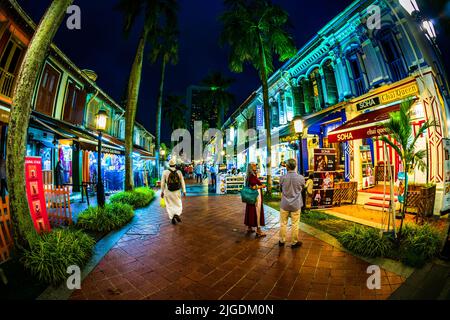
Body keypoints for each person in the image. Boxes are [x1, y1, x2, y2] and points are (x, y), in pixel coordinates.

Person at [279, 158, 305, 248]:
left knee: (283, 223)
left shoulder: (282, 178)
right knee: (295, 223)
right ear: (295, 166)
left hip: (284, 204)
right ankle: (294, 242)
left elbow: (280, 189)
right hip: (296, 204)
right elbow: (302, 188)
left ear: (287, 167)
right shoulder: (301, 178)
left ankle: (281, 241)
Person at [161, 158, 187, 225]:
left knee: (169, 204)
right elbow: (182, 182)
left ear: (169, 165)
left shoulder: (165, 172)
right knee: (178, 203)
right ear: (175, 165)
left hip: (168, 191)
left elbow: (162, 183)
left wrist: (162, 191)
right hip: (177, 191)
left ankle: (172, 217)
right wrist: (184, 191)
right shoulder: (179, 172)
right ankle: (177, 214)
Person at [244, 162, 266, 238]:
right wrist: (262, 186)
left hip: (251, 196)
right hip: (255, 195)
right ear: (250, 167)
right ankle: (258, 230)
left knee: (250, 210)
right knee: (257, 211)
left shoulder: (249, 175)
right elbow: (253, 187)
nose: (255, 166)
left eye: (255, 165)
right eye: (253, 165)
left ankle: (249, 227)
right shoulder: (252, 176)